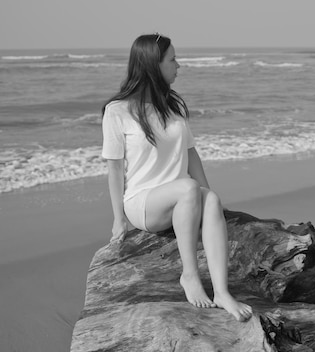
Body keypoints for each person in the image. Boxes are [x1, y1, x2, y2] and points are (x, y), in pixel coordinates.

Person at [101, 33, 253, 322]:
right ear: (152, 65)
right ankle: (190, 275)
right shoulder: (117, 111)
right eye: (172, 60)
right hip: (142, 203)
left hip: (181, 199)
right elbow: (115, 169)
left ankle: (221, 292)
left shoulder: (173, 106)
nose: (178, 65)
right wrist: (118, 219)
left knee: (209, 198)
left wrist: (209, 202)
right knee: (188, 188)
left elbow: (191, 154)